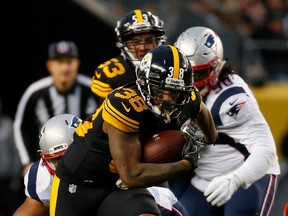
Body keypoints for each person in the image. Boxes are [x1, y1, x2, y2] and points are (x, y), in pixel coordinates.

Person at [50, 44, 218, 216]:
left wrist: (203, 138)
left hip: (118, 186)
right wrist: (186, 163)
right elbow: (131, 175)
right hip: (80, 182)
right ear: (144, 83)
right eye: (160, 89)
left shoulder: (188, 98)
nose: (166, 98)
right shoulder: (124, 105)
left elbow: (205, 121)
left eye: (174, 92)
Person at [174, 26, 280, 216]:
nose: (191, 81)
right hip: (204, 179)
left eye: (198, 74)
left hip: (247, 176)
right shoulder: (167, 88)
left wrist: (236, 178)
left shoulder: (232, 99)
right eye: (186, 73)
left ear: (215, 67)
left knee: (241, 208)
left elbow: (266, 151)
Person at [13, 40, 98, 176]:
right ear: (49, 65)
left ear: (77, 63)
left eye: (69, 62)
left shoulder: (94, 89)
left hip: (87, 164)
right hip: (48, 166)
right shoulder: (35, 92)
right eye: (60, 62)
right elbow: (20, 126)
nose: (65, 68)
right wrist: (26, 162)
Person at [90, 9, 167, 105]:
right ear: (124, 44)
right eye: (135, 42)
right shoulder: (109, 73)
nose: (142, 47)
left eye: (149, 40)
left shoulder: (170, 67)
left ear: (158, 40)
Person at [13, 114, 82, 216]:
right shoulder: (44, 177)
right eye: (54, 160)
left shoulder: (104, 158)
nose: (59, 166)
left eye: (63, 158)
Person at [0, 97, 23, 216]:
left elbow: (15, 150)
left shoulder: (8, 124)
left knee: (8, 209)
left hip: (6, 179)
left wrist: (16, 176)